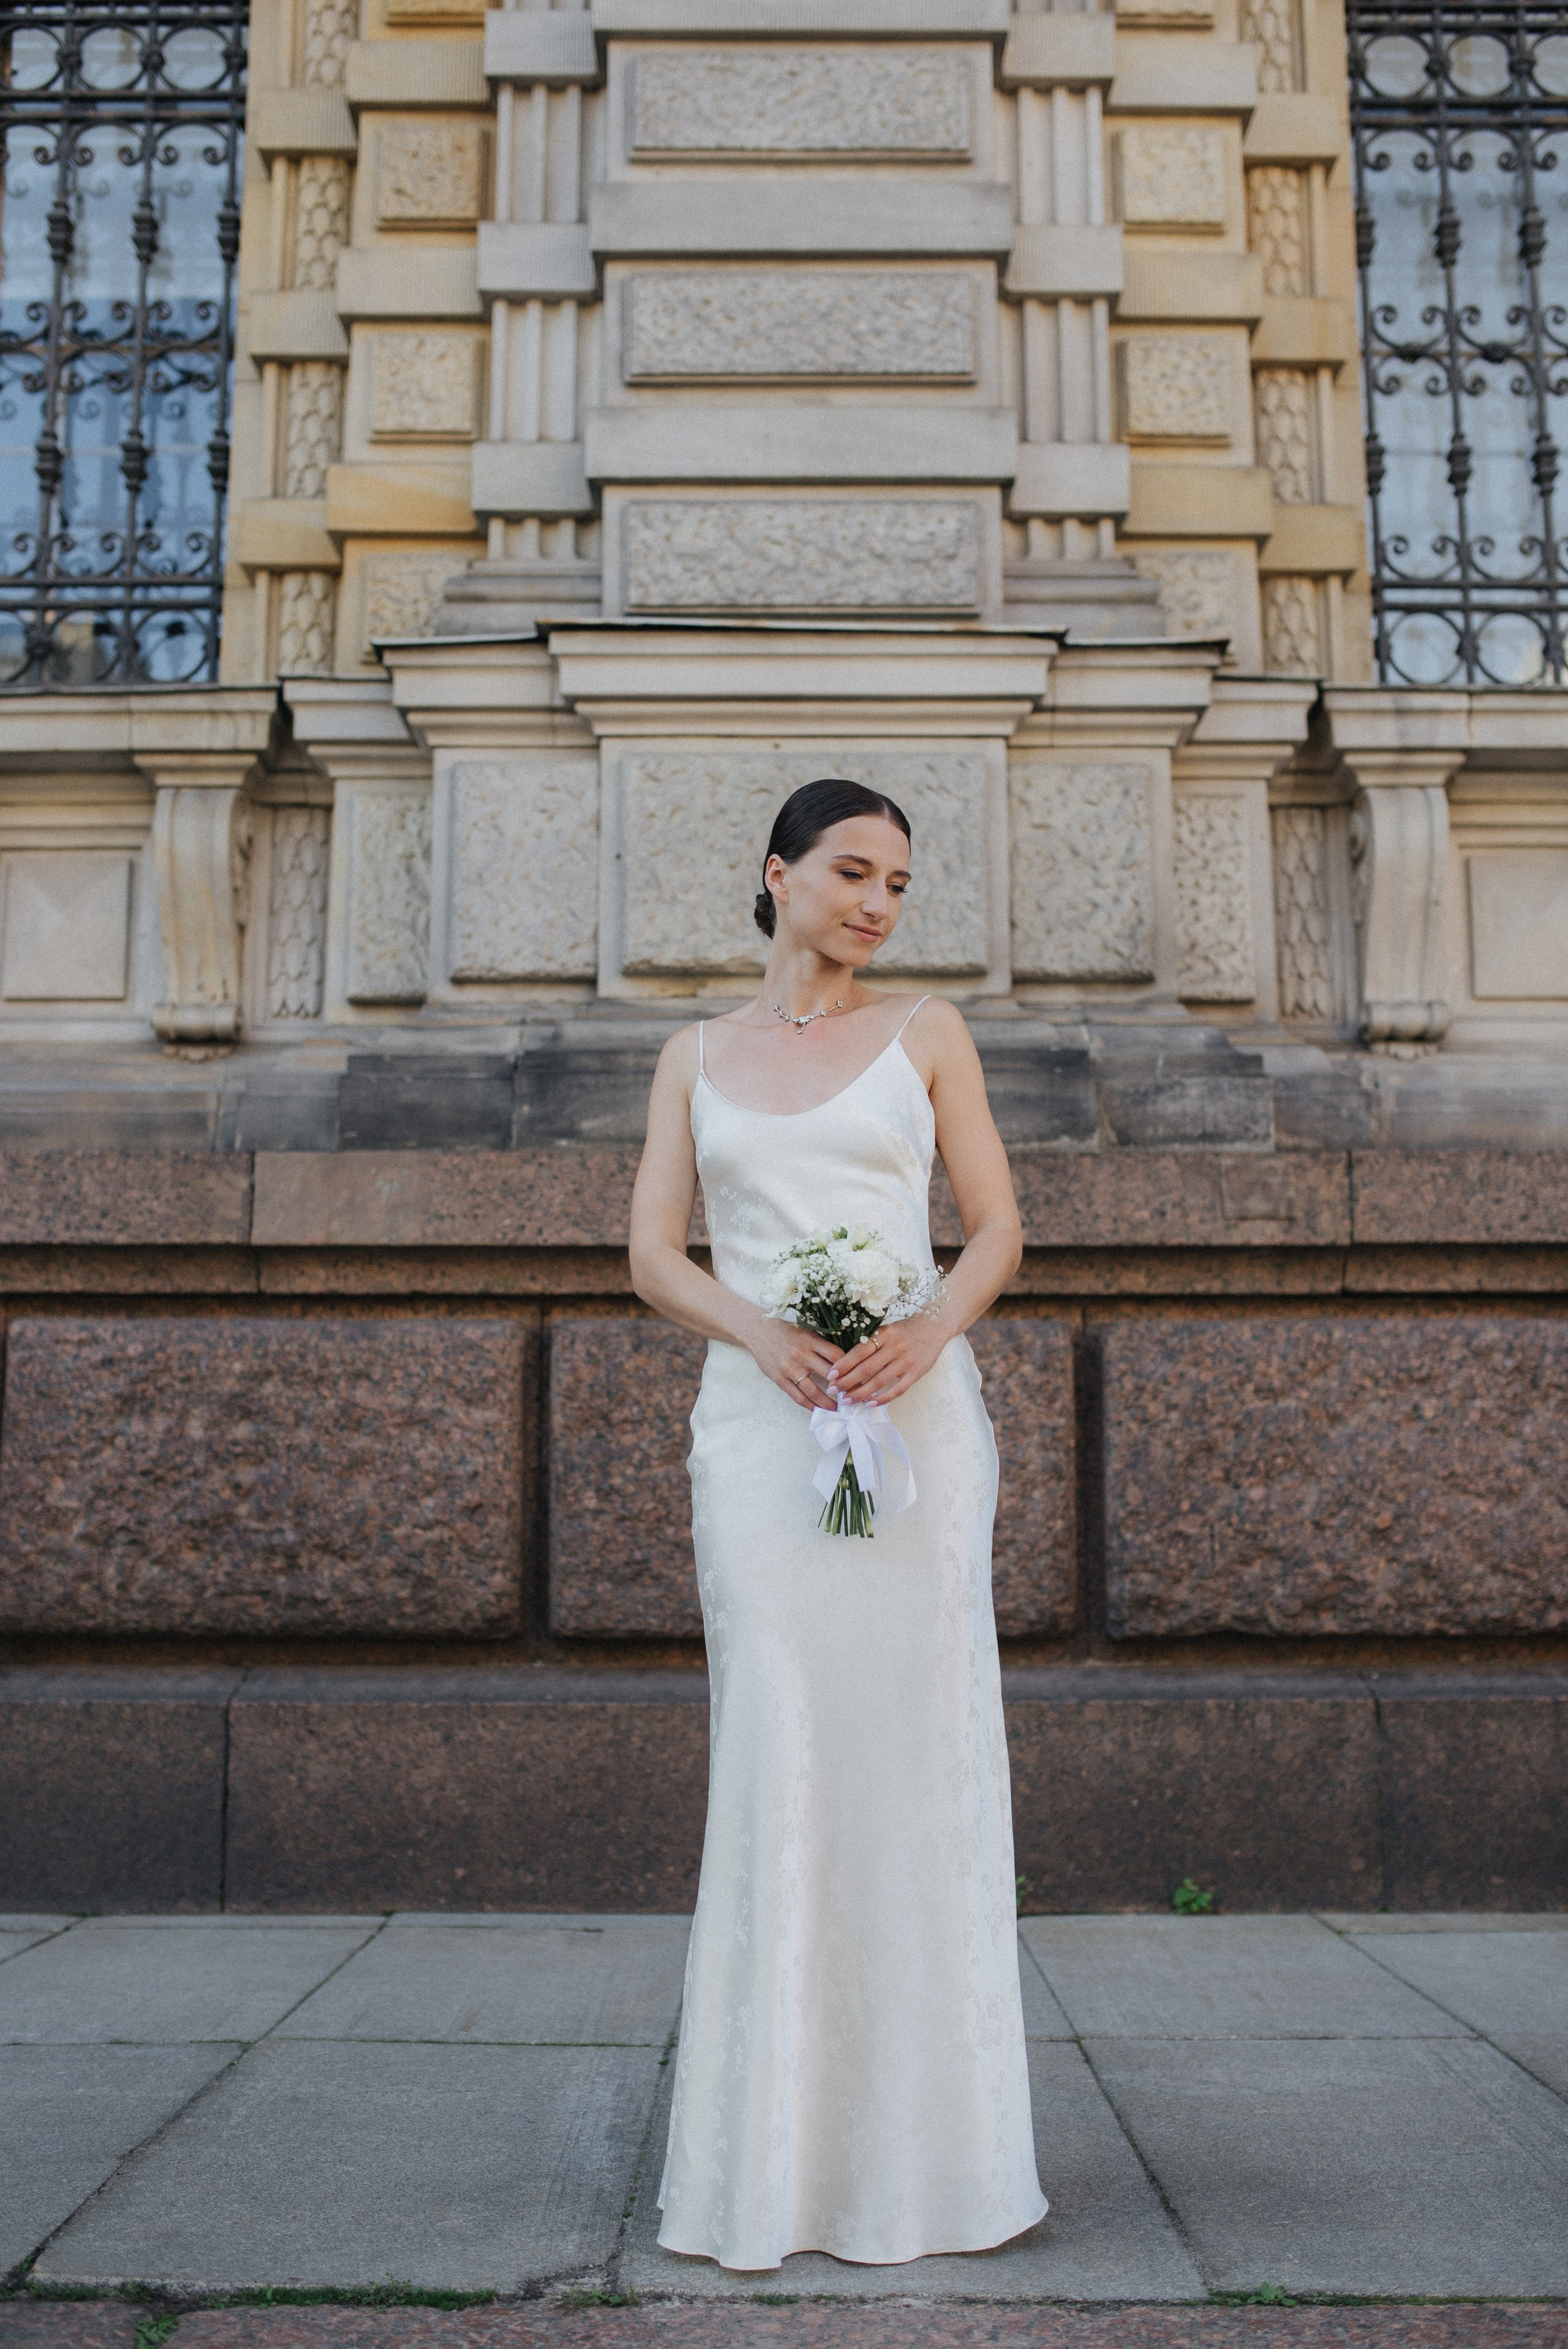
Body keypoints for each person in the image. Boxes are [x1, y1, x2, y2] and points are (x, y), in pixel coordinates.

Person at [628, 777, 1047, 2273]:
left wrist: (929, 1328)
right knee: (779, 1741)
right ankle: (770, 2161)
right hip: (758, 1431)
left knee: (911, 1750)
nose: (875, 902)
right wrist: (757, 1333)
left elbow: (995, 1222)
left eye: (896, 884)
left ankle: (931, 2166)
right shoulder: (692, 1055)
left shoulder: (926, 1034)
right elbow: (648, 1251)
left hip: (915, 1420)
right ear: (777, 875)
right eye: (851, 872)